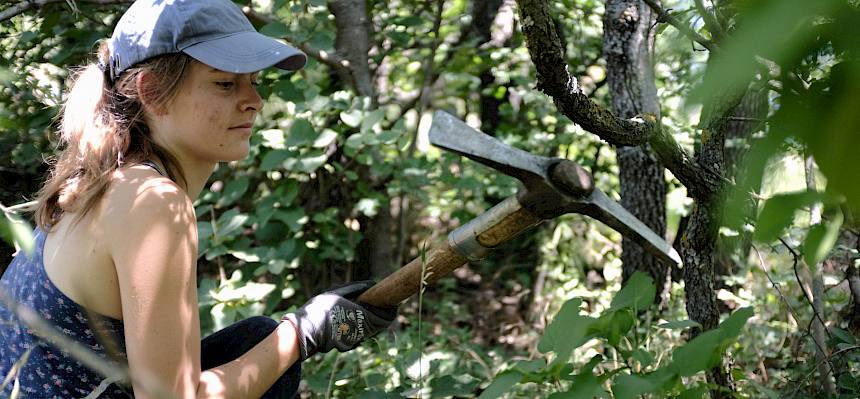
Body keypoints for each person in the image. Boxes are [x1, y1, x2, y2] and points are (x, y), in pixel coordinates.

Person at [0, 0, 397, 398]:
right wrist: (305, 332)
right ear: (152, 92)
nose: (254, 101)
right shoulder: (154, 202)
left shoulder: (110, 182)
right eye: (225, 83)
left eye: (254, 81)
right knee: (272, 345)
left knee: (255, 339)